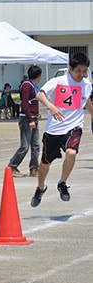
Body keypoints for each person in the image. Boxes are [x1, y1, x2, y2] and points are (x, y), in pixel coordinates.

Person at [31, 52, 93, 207]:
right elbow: (40, 94)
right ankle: (40, 187)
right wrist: (51, 107)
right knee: (45, 163)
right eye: (78, 71)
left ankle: (62, 183)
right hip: (54, 129)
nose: (81, 74)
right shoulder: (58, 81)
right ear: (70, 69)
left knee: (71, 152)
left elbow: (85, 102)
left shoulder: (86, 84)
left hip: (74, 126)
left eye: (84, 71)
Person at [8, 66, 42, 178]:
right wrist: (30, 119)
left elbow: (33, 102)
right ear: (39, 75)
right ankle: (12, 166)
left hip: (33, 117)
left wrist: (36, 114)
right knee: (25, 146)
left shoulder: (33, 85)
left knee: (36, 145)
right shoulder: (27, 85)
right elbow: (25, 104)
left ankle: (34, 168)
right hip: (27, 119)